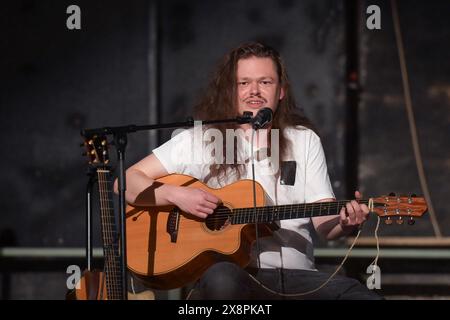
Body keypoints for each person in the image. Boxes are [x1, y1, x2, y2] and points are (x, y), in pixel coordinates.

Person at [117, 42, 381, 300]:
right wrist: (177, 195)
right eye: (244, 83)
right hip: (232, 275)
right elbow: (125, 182)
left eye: (265, 82)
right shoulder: (199, 139)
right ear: (230, 91)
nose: (254, 91)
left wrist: (345, 223)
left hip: (298, 279)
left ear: (281, 91)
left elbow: (325, 225)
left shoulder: (304, 140)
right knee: (223, 280)